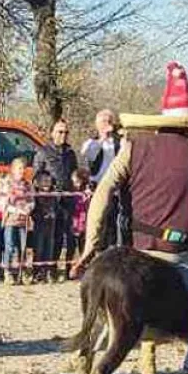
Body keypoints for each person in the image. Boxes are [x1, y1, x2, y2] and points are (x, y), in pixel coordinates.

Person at [73, 61, 188, 374]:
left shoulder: (133, 147)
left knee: (113, 313)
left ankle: (90, 355)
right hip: (180, 250)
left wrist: (91, 241)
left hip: (138, 247)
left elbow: (103, 190)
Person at [33, 119, 81, 280]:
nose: (63, 135)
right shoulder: (43, 152)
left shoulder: (70, 153)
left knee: (63, 236)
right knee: (46, 238)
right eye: (60, 132)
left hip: (67, 200)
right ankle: (41, 270)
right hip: (48, 202)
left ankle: (57, 269)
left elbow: (74, 173)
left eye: (66, 132)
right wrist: (46, 187)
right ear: (52, 133)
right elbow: (36, 176)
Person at [81, 110, 123, 246]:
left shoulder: (119, 142)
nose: (107, 125)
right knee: (97, 224)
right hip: (97, 187)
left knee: (113, 225)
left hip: (115, 189)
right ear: (97, 124)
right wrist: (102, 138)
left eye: (109, 121)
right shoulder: (91, 142)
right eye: (103, 122)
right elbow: (88, 154)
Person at [0, 157, 34, 285]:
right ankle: (7, 271)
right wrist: (14, 209)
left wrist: (29, 208)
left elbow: (31, 200)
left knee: (23, 247)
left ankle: (21, 271)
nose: (22, 171)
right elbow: (3, 202)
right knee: (9, 245)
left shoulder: (27, 185)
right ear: (13, 170)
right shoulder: (7, 184)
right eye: (19, 168)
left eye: (23, 168)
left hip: (23, 221)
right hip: (10, 220)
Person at [31, 171, 59, 282]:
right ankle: (37, 272)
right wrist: (41, 215)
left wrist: (53, 214)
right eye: (44, 182)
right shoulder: (36, 195)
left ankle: (47, 271)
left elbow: (56, 208)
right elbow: (33, 210)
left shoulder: (53, 195)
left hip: (51, 225)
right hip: (40, 225)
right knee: (39, 249)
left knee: (49, 249)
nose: (47, 185)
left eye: (49, 182)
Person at [70, 168, 93, 263]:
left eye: (76, 182)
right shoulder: (73, 192)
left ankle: (85, 263)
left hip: (85, 223)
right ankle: (69, 268)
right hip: (75, 222)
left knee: (83, 246)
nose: (74, 184)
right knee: (71, 247)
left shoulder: (88, 192)